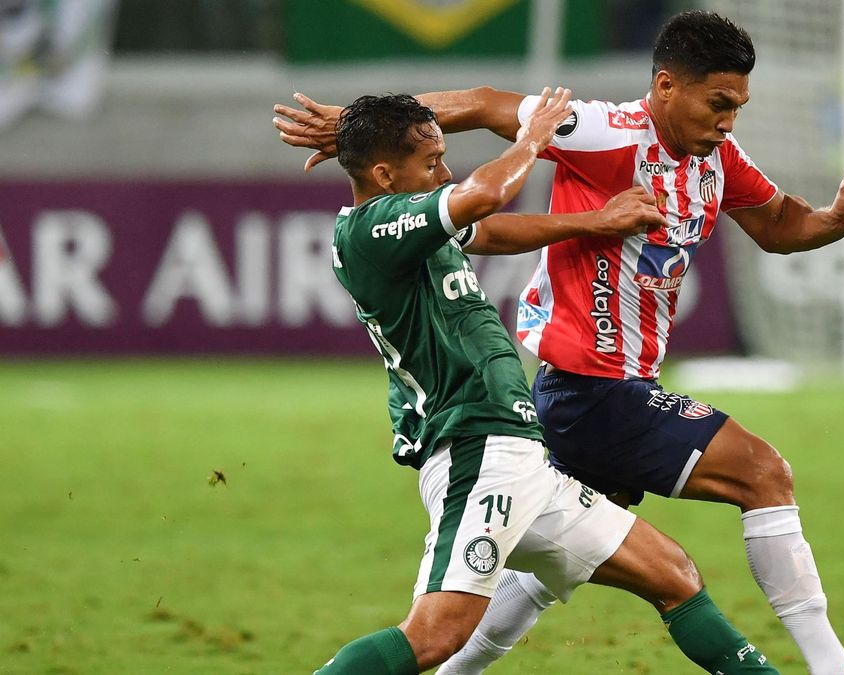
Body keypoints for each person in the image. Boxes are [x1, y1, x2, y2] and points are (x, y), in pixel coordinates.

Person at [275, 12, 844, 675]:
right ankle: (835, 667)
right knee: (763, 473)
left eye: (738, 106)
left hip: (540, 418)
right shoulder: (603, 132)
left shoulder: (718, 161)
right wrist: (363, 127)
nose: (728, 120)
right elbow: (483, 113)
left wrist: (835, 217)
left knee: (631, 574)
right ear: (666, 87)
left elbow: (777, 224)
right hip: (582, 392)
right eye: (718, 103)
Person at [300, 88, 781, 674]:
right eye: (431, 163)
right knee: (435, 634)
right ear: (382, 173)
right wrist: (536, 136)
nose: (444, 172)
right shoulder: (374, 228)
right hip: (474, 449)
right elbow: (484, 195)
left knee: (672, 574)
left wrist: (594, 222)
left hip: (520, 455)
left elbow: (493, 231)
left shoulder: (413, 225)